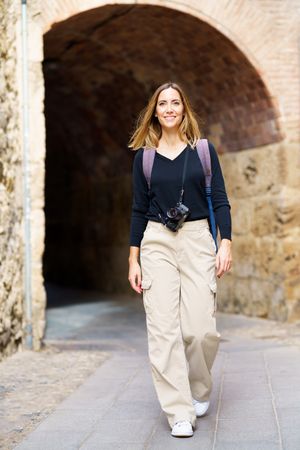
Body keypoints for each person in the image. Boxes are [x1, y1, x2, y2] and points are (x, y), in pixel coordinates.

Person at [128, 81, 232, 438]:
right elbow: (138, 210)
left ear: (184, 109)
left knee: (200, 329)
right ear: (154, 112)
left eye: (175, 103)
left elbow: (220, 199)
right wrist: (134, 258)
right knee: (163, 331)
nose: (169, 108)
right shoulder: (144, 158)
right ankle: (178, 411)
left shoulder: (203, 152)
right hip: (156, 240)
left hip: (198, 238)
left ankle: (199, 389)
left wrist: (226, 243)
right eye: (163, 104)